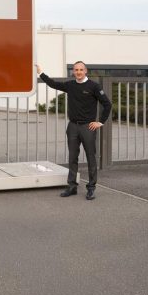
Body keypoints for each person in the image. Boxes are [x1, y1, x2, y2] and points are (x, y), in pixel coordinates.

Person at [36, 62, 112, 200]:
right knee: (72, 157)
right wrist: (40, 73)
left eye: (81, 69)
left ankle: (91, 188)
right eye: (76, 70)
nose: (78, 72)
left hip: (88, 127)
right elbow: (53, 84)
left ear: (85, 71)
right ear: (73, 71)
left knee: (91, 157)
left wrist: (100, 122)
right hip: (72, 127)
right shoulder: (70, 85)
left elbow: (107, 104)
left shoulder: (94, 86)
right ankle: (72, 186)